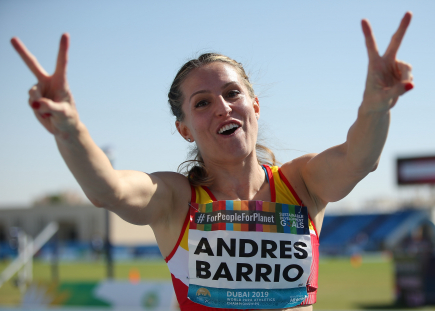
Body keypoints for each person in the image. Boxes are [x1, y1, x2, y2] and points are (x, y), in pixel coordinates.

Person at [11, 12, 413, 311]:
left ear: (255, 106)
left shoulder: (302, 182)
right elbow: (108, 189)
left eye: (232, 93)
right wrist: (69, 129)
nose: (222, 107)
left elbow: (358, 160)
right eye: (202, 103)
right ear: (184, 128)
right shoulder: (174, 198)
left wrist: (375, 107)